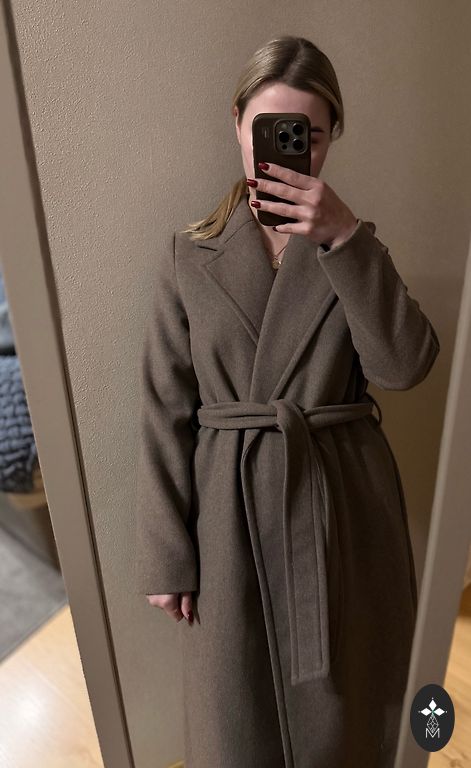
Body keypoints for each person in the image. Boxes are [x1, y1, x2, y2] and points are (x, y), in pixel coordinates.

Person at [134, 35, 440, 768]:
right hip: (229, 511)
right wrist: (167, 557)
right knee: (237, 715)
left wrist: (343, 240)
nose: (284, 149)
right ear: (237, 123)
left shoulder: (355, 249)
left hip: (339, 505)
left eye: (309, 134)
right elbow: (163, 409)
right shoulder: (190, 254)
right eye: (268, 128)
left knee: (352, 708)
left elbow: (403, 368)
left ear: (330, 138)